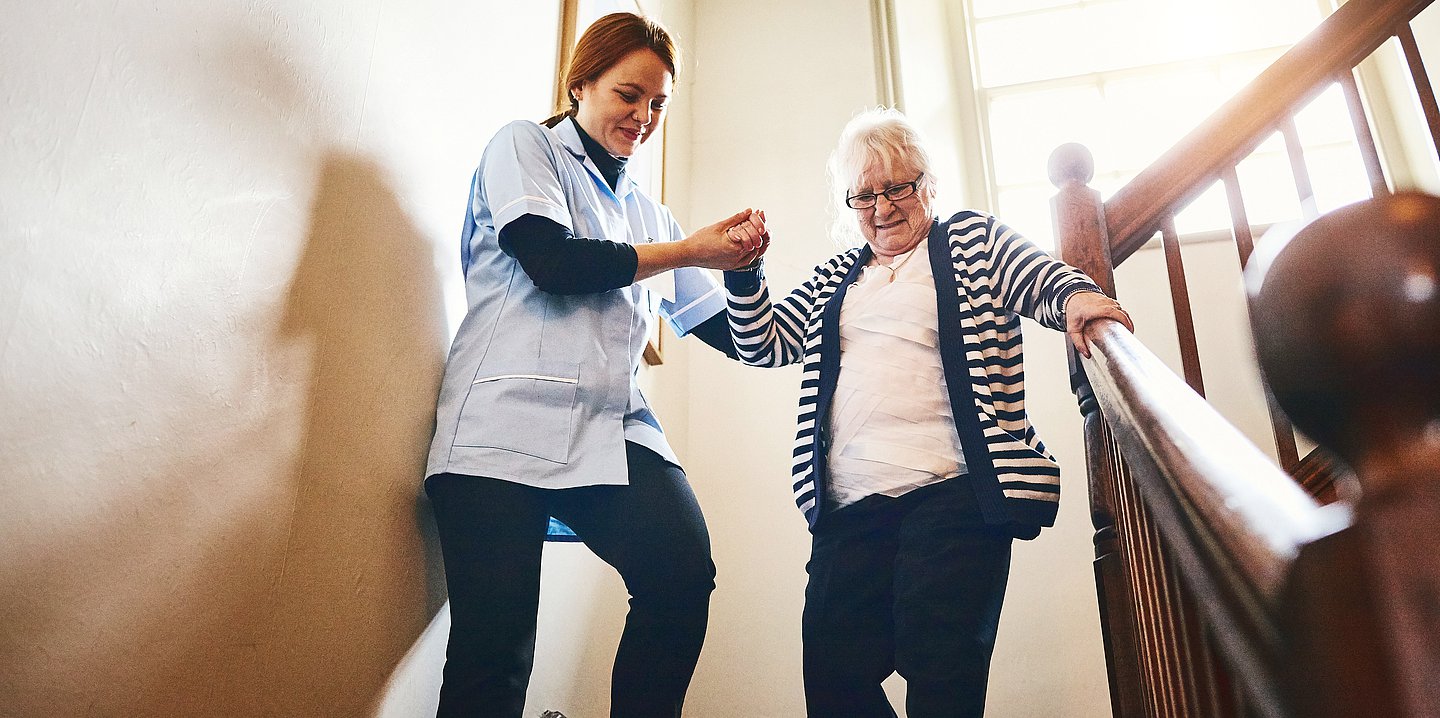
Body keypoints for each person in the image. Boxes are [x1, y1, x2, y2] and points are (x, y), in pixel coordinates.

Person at [721, 108, 1132, 717]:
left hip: (955, 494)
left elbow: (1037, 276)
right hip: (850, 505)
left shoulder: (969, 238)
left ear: (928, 186)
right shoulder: (837, 275)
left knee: (942, 675)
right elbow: (765, 343)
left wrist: (1076, 298)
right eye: (865, 195)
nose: (882, 207)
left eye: (898, 188)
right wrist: (744, 273)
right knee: (833, 680)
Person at [422, 12, 767, 718]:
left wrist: (741, 265)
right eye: (628, 95)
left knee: (680, 572)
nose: (643, 116)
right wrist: (690, 252)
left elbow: (735, 336)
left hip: (611, 428)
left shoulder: (649, 212)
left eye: (658, 104)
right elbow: (551, 260)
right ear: (581, 84)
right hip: (500, 429)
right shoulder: (525, 148)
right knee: (496, 651)